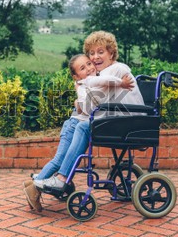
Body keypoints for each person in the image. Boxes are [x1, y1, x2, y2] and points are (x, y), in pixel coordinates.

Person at [32, 31, 145, 196]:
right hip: (123, 120)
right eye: (92, 53)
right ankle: (57, 176)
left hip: (129, 123)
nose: (95, 57)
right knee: (81, 124)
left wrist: (79, 91)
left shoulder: (115, 70)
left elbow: (89, 107)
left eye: (101, 52)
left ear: (111, 53)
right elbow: (94, 104)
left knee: (84, 127)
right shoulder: (106, 72)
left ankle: (62, 178)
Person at [23, 53, 134, 211]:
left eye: (89, 64)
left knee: (60, 160)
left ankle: (34, 183)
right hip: (74, 124)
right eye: (83, 68)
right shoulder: (83, 85)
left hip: (75, 123)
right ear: (76, 76)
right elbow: (84, 106)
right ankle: (34, 188)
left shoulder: (91, 82)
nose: (89, 68)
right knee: (59, 161)